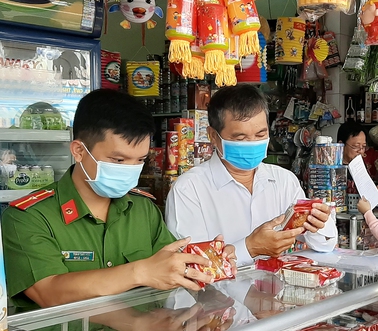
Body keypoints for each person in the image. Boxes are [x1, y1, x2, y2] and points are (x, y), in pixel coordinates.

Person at [2, 89, 235, 311]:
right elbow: (48, 292)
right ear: (79, 151)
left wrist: (207, 261)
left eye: (140, 160)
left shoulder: (143, 210)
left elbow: (171, 266)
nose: (131, 170)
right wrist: (139, 272)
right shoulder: (28, 217)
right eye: (119, 160)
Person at [165, 85, 337, 266]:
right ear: (213, 136)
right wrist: (250, 248)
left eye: (260, 134)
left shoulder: (284, 181)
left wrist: (318, 225)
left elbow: (325, 246)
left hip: (275, 292)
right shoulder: (189, 190)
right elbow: (190, 264)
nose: (252, 143)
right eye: (240, 139)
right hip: (217, 294)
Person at [337, 120, 378, 196]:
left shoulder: (361, 166)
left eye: (364, 146)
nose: (361, 151)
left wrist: (377, 190)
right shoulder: (334, 168)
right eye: (356, 146)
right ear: (341, 145)